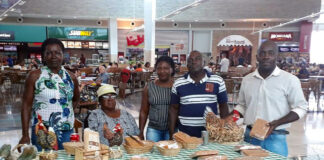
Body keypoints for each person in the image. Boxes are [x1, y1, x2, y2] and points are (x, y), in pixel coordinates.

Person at [234, 40, 307, 156]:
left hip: (275, 138)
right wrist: (231, 119)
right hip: (249, 137)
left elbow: (301, 108)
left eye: (270, 53)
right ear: (257, 57)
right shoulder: (247, 80)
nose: (266, 57)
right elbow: (242, 105)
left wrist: (276, 123)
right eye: (262, 53)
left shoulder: (290, 80)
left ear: (276, 56)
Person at [18, 38, 80, 151]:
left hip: (67, 131)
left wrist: (65, 113)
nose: (53, 56)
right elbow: (26, 106)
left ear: (63, 55)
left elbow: (75, 100)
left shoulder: (71, 77)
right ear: (43, 56)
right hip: (42, 131)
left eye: (57, 52)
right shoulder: (35, 76)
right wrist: (25, 134)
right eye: (49, 53)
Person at [169, 50, 230, 138]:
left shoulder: (217, 80)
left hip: (211, 135)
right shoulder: (178, 83)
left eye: (197, 59)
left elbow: (223, 106)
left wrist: (224, 129)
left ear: (204, 62)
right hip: (185, 136)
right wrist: (171, 134)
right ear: (187, 64)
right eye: (190, 60)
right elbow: (173, 109)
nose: (193, 62)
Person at [139, 56, 175, 142]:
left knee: (170, 154)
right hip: (153, 130)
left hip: (172, 130)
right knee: (152, 154)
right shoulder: (149, 87)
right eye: (159, 68)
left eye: (166, 68)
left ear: (172, 69)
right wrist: (140, 132)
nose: (162, 71)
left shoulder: (176, 87)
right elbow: (144, 111)